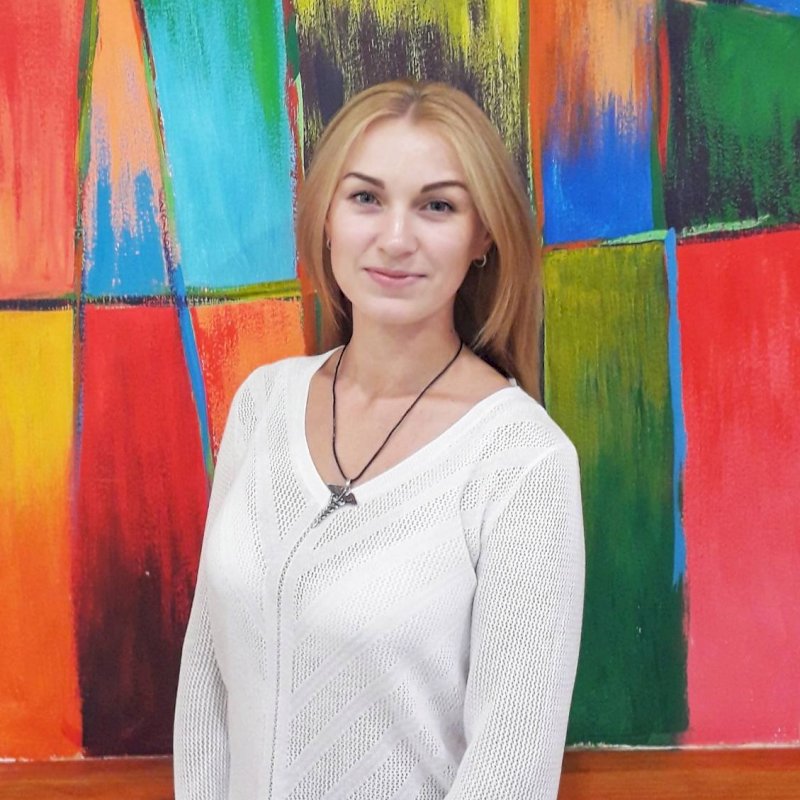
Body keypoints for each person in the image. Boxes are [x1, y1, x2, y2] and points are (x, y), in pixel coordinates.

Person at [174, 78, 585, 800]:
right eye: (366, 197)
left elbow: (511, 771)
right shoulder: (263, 405)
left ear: (483, 236)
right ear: (327, 217)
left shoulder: (522, 461)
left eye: (437, 206)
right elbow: (207, 680)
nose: (396, 239)